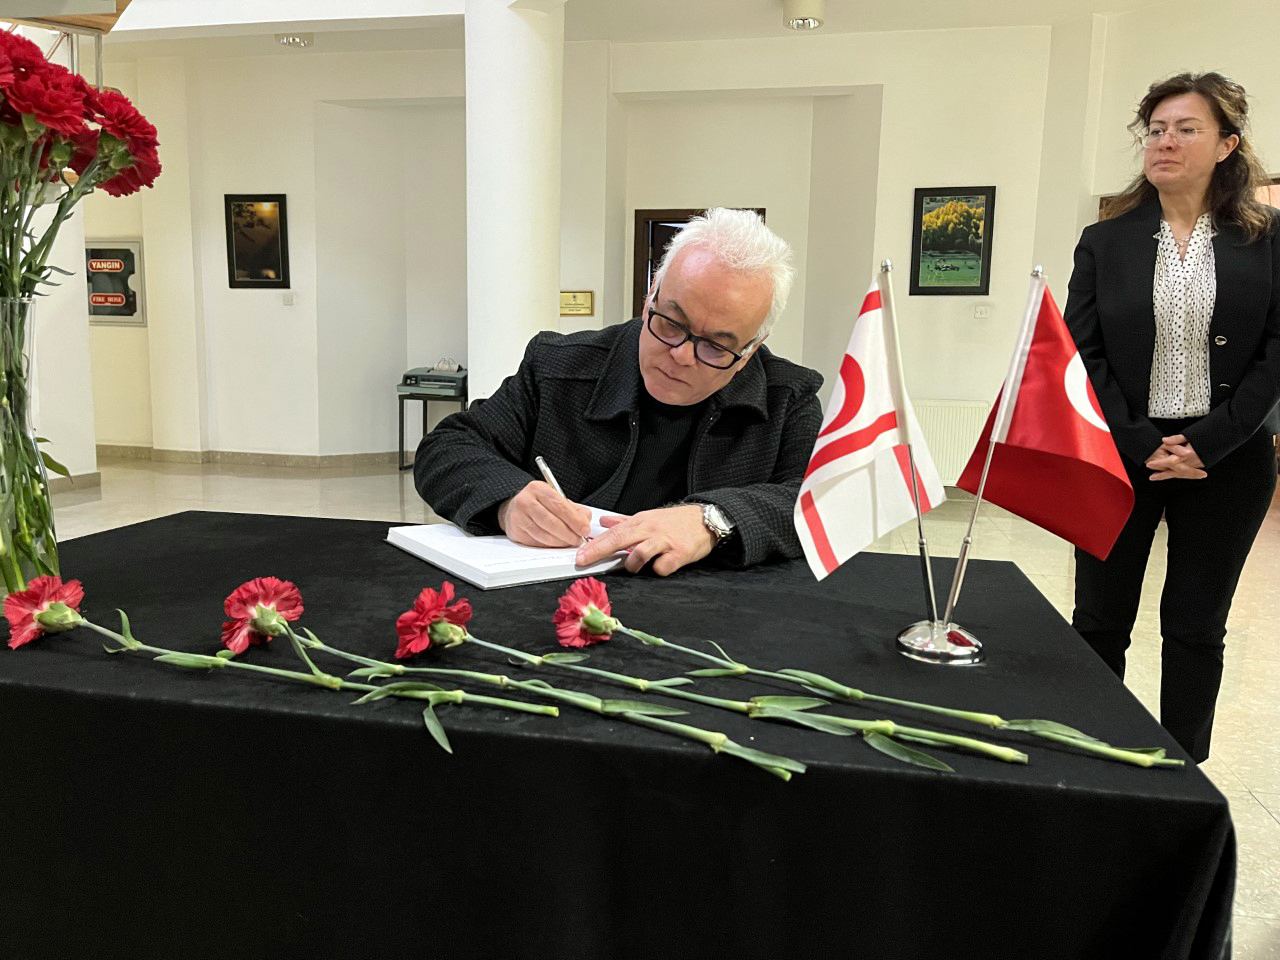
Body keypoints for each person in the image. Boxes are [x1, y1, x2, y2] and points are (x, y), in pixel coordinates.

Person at [414, 207, 824, 576]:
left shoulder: (788, 397)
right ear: (650, 298)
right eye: (670, 323)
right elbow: (447, 446)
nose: (681, 356)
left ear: (750, 349)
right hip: (560, 599)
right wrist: (506, 501)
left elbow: (820, 502)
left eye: (716, 346)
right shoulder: (558, 367)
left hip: (714, 612)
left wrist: (713, 520)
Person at [1064, 71, 1280, 763]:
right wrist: (1139, 440)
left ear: (1226, 145)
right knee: (1099, 620)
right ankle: (1095, 756)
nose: (1165, 141)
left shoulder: (1268, 239)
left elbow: (1276, 351)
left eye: (1186, 129)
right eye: (1156, 129)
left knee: (1195, 627)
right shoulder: (1105, 241)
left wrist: (1209, 442)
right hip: (1121, 453)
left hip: (1229, 457)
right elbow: (1081, 351)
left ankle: (1182, 771)